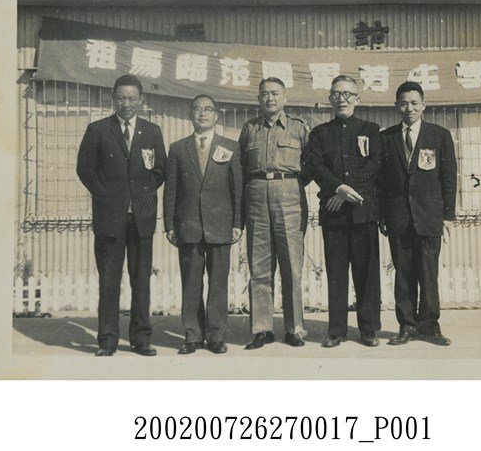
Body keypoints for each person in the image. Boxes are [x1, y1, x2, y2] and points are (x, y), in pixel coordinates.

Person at [77, 74, 167, 356]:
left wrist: (139, 196)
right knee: (109, 280)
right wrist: (107, 195)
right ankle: (107, 341)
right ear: (113, 99)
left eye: (131, 98)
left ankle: (141, 339)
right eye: (121, 98)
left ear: (141, 100)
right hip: (110, 217)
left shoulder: (152, 132)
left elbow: (159, 171)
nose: (126, 104)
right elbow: (84, 169)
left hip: (141, 217)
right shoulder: (98, 130)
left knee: (141, 280)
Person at [302, 75, 382, 348]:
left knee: (367, 274)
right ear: (330, 98)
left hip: (363, 212)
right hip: (334, 214)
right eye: (336, 94)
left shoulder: (371, 129)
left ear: (357, 99)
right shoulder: (319, 133)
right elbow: (315, 165)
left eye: (348, 94)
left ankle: (369, 329)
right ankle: (336, 330)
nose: (342, 99)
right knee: (336, 274)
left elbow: (375, 165)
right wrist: (337, 188)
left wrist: (345, 192)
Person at [379, 81, 457, 346]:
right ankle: (407, 326)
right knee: (403, 275)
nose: (409, 108)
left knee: (428, 274)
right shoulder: (386, 138)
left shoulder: (439, 135)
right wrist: (383, 215)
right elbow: (381, 181)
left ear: (424, 105)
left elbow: (449, 177)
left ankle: (430, 326)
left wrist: (447, 215)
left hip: (429, 217)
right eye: (403, 103)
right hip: (398, 218)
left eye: (414, 103)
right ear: (396, 106)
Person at [163, 95, 243, 355]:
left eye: (208, 110)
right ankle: (192, 335)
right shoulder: (178, 148)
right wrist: (170, 225)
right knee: (191, 283)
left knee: (218, 283)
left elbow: (237, 189)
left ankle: (216, 336)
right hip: (188, 226)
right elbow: (171, 189)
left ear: (216, 116)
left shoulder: (230, 146)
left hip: (220, 225)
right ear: (190, 115)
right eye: (197, 109)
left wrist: (237, 222)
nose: (203, 114)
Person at [239, 77, 310, 349]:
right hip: (256, 194)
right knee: (259, 266)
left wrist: (290, 185)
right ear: (259, 99)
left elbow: (311, 163)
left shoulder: (298, 128)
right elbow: (242, 165)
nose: (270, 98)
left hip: (289, 194)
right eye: (265, 94)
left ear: (285, 98)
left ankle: (294, 328)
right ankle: (262, 329)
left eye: (275, 93)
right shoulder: (249, 129)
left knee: (292, 265)